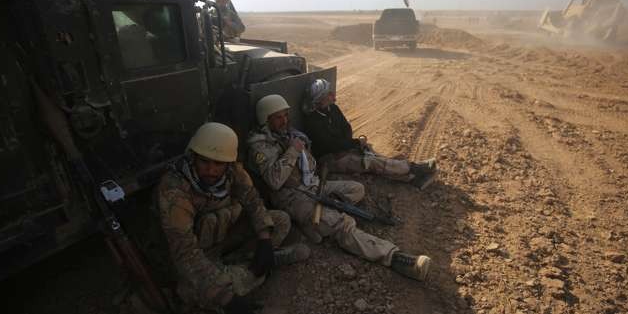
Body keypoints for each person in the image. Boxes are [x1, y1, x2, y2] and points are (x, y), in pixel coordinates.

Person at [247, 94, 432, 281]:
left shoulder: (288, 135)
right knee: (341, 224)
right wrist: (293, 150)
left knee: (356, 189)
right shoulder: (260, 146)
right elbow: (275, 181)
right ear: (266, 118)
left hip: (313, 185)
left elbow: (310, 165)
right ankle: (394, 257)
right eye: (278, 117)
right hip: (292, 197)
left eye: (285, 115)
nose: (284, 120)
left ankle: (319, 219)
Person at [157, 122, 309, 313]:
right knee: (191, 292)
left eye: (218, 163)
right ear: (193, 156)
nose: (211, 170)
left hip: (226, 237)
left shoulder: (233, 172)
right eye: (204, 161)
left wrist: (264, 240)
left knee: (280, 220)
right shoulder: (174, 191)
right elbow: (185, 253)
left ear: (227, 163)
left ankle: (250, 263)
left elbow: (253, 202)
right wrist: (226, 298)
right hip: (199, 254)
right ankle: (255, 270)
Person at [303, 79, 437, 190]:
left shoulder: (332, 108)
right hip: (329, 159)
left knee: (372, 154)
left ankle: (412, 178)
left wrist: (351, 144)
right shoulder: (312, 120)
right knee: (370, 162)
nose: (333, 96)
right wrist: (353, 144)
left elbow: (346, 128)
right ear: (320, 99)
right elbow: (329, 146)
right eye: (329, 94)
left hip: (343, 149)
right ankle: (415, 168)